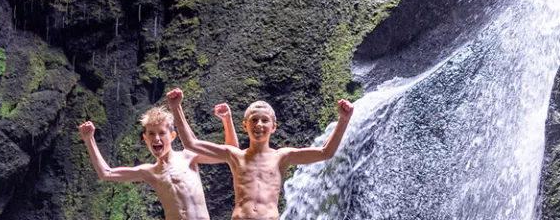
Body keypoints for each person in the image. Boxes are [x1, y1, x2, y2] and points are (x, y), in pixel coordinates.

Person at [166, 88, 354, 220]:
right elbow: (191, 143)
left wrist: (344, 120)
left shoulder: (282, 156)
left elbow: (325, 152)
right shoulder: (234, 155)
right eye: (254, 120)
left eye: (265, 121)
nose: (259, 125)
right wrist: (176, 107)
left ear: (273, 127)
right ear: (245, 125)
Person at [78, 102, 239, 220]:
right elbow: (106, 173)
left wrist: (227, 120)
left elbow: (231, 152)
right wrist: (88, 140)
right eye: (151, 134)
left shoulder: (189, 156)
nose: (157, 138)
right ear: (145, 139)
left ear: (172, 136)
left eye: (162, 133)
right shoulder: (150, 172)